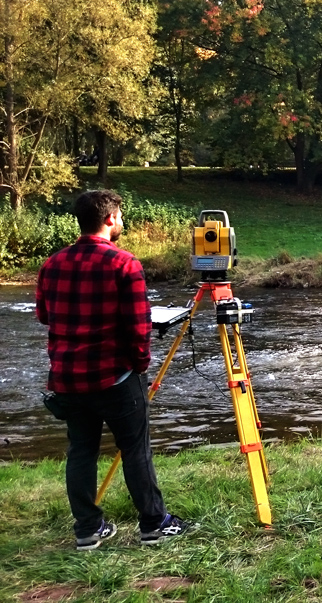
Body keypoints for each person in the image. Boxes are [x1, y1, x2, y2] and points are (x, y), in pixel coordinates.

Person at [36, 190, 189, 551]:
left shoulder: (52, 263)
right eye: (119, 215)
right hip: (115, 377)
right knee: (136, 449)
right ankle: (153, 524)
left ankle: (87, 530)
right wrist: (139, 366)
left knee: (81, 451)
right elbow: (138, 327)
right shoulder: (124, 264)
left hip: (68, 379)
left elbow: (44, 316)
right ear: (109, 219)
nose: (121, 221)